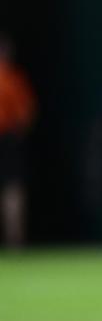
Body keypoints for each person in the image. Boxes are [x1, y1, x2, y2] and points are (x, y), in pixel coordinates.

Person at [0, 33, 35, 247]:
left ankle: (14, 239)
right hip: (9, 138)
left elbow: (26, 114)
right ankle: (15, 241)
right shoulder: (13, 79)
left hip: (7, 139)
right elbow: (26, 116)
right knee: (12, 190)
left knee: (12, 191)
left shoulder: (14, 79)